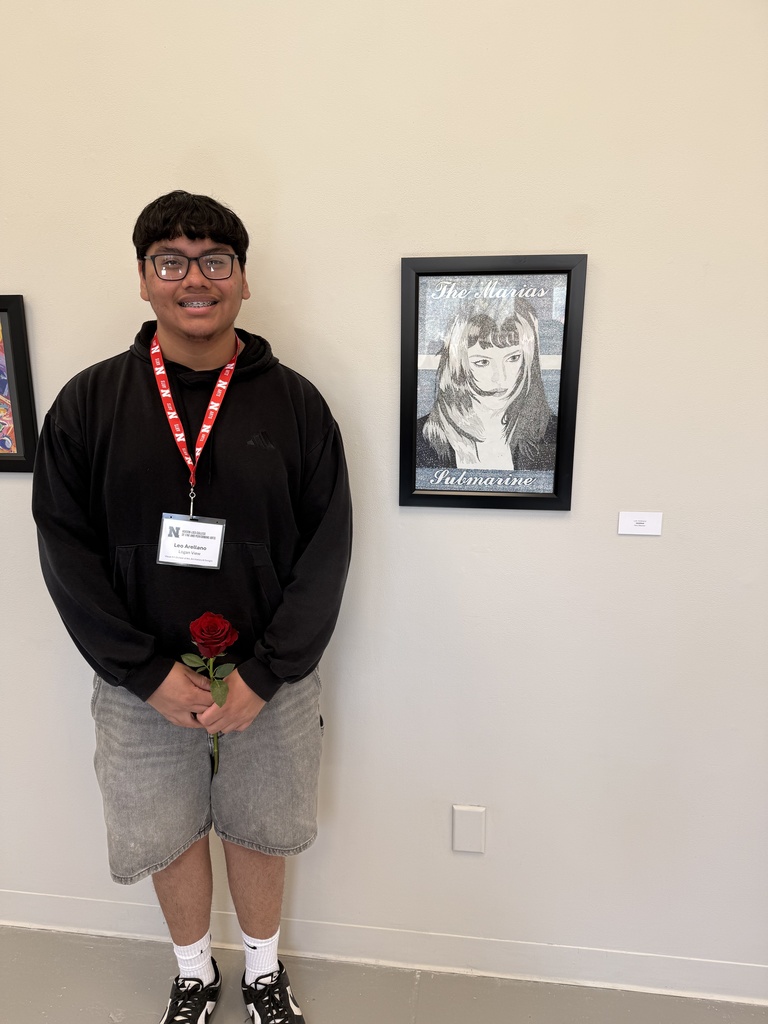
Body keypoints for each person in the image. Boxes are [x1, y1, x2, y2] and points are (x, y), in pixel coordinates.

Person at [32, 191, 352, 1024]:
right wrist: (144, 672)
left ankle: (261, 974)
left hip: (265, 684)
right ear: (143, 281)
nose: (194, 279)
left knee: (259, 829)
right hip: (141, 683)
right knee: (167, 834)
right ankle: (190, 973)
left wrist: (270, 671)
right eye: (170, 260)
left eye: (216, 260)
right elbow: (65, 551)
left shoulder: (298, 406)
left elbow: (327, 552)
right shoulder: (88, 404)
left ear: (243, 279)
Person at [416, 300, 557, 472]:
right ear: (457, 365)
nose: (500, 378)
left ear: (528, 361)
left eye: (513, 358)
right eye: (482, 362)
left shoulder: (551, 433)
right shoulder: (420, 438)